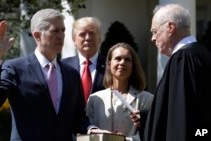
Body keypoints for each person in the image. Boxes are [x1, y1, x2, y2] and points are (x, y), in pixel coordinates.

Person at [0, 9, 102, 141]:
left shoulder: (71, 73)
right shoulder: (15, 68)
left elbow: (77, 118)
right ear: (37, 35)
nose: (61, 36)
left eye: (63, 30)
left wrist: (92, 129)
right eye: (55, 31)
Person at [144, 4, 211, 141]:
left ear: (170, 27)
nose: (152, 38)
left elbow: (180, 119)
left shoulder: (183, 59)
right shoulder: (203, 54)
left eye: (155, 31)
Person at [86, 43, 154, 141]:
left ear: (133, 66)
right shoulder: (94, 99)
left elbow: (151, 133)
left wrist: (124, 140)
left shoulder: (147, 99)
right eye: (118, 58)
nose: (122, 62)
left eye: (127, 60)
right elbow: (89, 134)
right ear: (109, 63)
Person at [62, 17, 106, 102]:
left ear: (99, 38)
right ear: (74, 40)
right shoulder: (63, 66)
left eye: (92, 33)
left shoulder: (110, 65)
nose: (88, 38)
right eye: (82, 34)